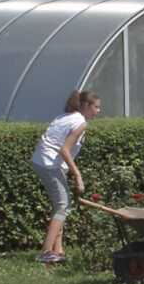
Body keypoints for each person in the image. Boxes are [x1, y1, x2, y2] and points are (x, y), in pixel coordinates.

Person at [31, 90, 101, 264]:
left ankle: (58, 250)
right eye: (97, 107)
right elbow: (64, 150)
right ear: (86, 106)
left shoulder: (66, 116)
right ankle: (46, 252)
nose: (98, 111)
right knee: (63, 207)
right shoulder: (80, 123)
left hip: (41, 161)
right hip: (49, 164)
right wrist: (78, 175)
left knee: (59, 206)